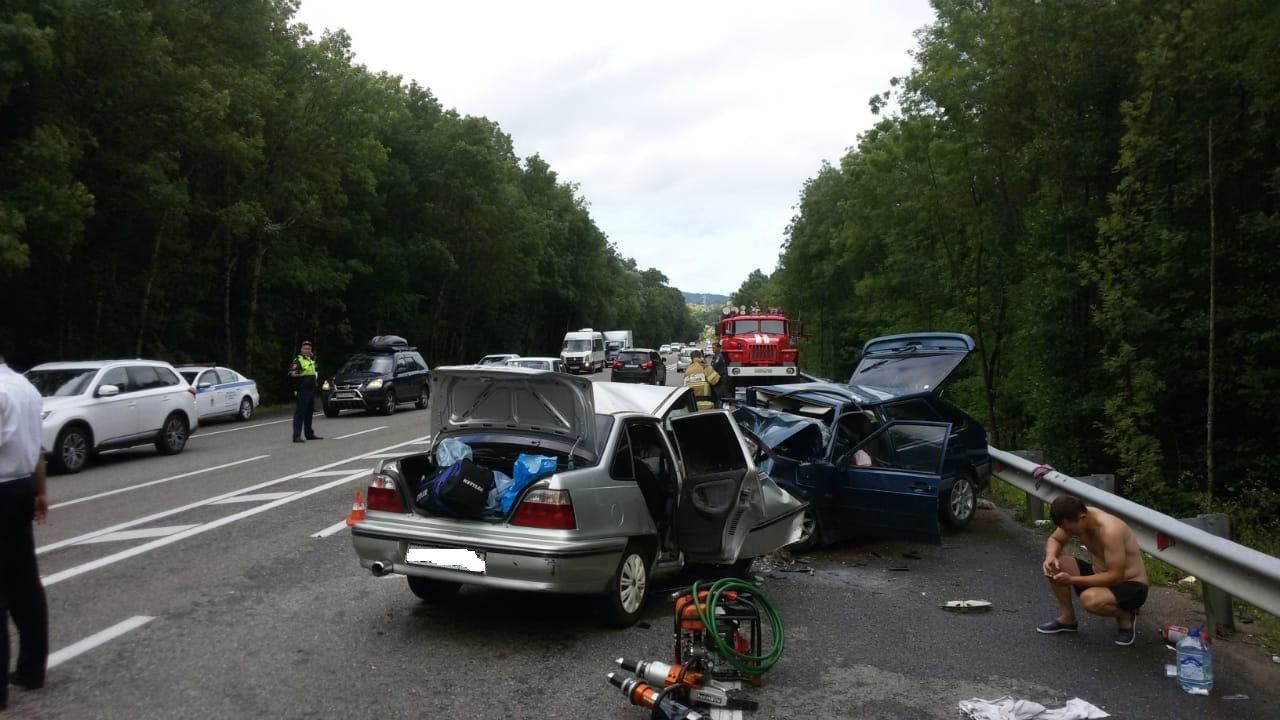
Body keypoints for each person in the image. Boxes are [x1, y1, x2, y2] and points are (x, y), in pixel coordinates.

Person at [0, 336, 49, 710]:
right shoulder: (26, 387)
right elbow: (36, 449)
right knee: (24, 583)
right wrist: (40, 491)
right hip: (19, 490)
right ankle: (32, 669)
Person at [1036, 495, 1149, 646]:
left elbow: (1115, 577)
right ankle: (1068, 619)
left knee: (1089, 600)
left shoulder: (1110, 530)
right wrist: (1050, 556)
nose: (1069, 533)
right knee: (1055, 565)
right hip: (1101, 574)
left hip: (1129, 585)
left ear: (1082, 517)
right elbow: (1055, 539)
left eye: (1070, 529)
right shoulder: (1074, 517)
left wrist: (1071, 580)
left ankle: (1126, 616)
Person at [288, 340, 322, 443]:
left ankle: (309, 434)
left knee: (309, 413)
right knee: (300, 413)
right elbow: (292, 373)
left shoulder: (311, 360)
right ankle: (296, 436)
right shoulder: (298, 360)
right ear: (301, 350)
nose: (307, 350)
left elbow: (314, 370)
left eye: (309, 349)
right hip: (303, 390)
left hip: (311, 390)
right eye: (305, 348)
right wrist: (296, 375)